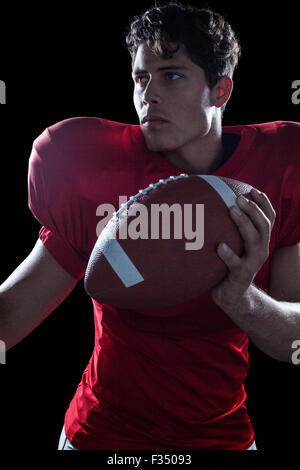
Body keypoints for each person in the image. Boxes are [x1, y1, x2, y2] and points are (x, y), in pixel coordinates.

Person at [1, 1, 299, 451]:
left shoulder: (278, 170)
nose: (148, 94)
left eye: (171, 75)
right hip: (101, 436)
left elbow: (292, 342)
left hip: (221, 437)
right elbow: (11, 316)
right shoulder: (100, 173)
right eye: (141, 77)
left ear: (221, 90)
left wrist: (243, 299)